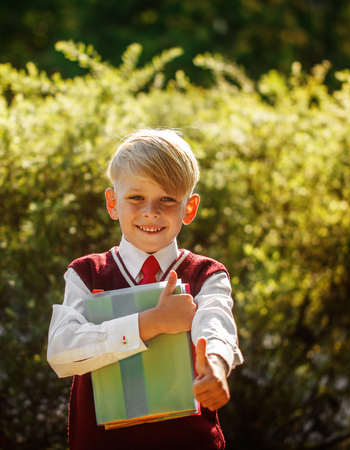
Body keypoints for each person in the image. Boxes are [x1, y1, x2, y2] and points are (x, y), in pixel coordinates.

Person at [47, 128, 244, 449]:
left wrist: (218, 365)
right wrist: (151, 323)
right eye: (136, 197)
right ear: (113, 203)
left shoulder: (206, 274)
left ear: (189, 208)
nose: (151, 211)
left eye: (167, 199)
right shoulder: (86, 274)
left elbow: (217, 323)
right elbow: (60, 352)